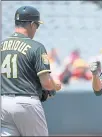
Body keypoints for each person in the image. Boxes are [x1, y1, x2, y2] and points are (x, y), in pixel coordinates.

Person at [1, 6, 61, 136]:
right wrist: (55, 86)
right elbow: (46, 84)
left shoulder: (1, 46)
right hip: (26, 102)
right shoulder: (36, 47)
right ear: (32, 24)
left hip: (3, 103)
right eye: (37, 25)